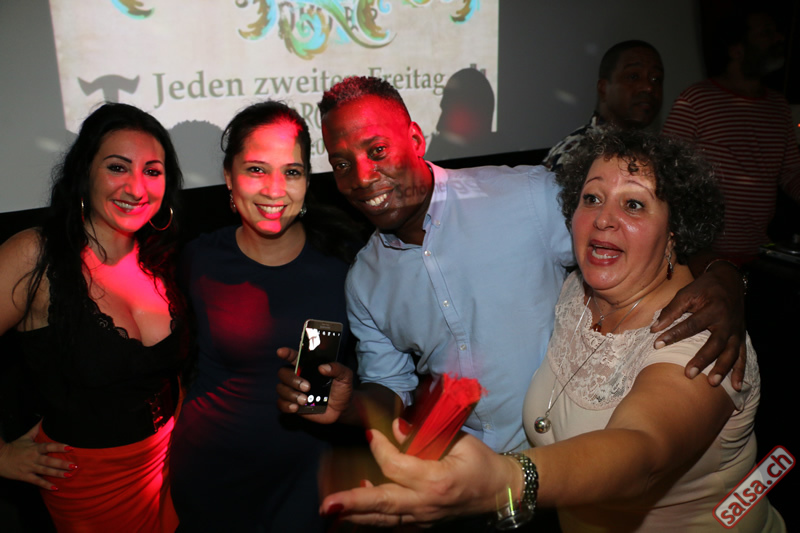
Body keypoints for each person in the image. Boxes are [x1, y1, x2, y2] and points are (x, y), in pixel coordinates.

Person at [319, 130, 785, 532]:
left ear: (675, 230)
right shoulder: (574, 295)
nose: (604, 218)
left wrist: (505, 479)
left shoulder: (700, 333)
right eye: (592, 198)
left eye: (634, 204)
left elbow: (642, 452)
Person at [278, 76, 748, 457]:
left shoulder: (526, 196)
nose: (362, 177)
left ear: (416, 139)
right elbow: (391, 387)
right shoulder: (365, 281)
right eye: (342, 164)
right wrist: (348, 407)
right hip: (466, 470)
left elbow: (640, 237)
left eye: (378, 151)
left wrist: (723, 276)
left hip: (574, 456)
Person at [169, 101, 363, 532]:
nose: (275, 190)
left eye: (291, 172)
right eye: (256, 169)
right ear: (228, 177)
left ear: (307, 181)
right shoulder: (198, 259)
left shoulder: (347, 264)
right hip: (209, 479)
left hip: (305, 487)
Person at [0, 102, 186, 532]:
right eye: (118, 167)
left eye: (153, 171)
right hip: (89, 488)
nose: (136, 188)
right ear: (85, 172)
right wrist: (2, 456)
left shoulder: (159, 258)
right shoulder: (37, 255)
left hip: (169, 467)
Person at [662, 9, 800, 264]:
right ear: (737, 50)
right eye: (766, 33)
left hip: (758, 254)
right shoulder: (696, 99)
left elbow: (791, 173)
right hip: (703, 259)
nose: (778, 38)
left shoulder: (778, 106)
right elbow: (665, 169)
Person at [543, 40, 664, 171]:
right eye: (634, 76)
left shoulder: (652, 151)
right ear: (603, 89)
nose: (648, 87)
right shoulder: (579, 155)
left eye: (656, 79)